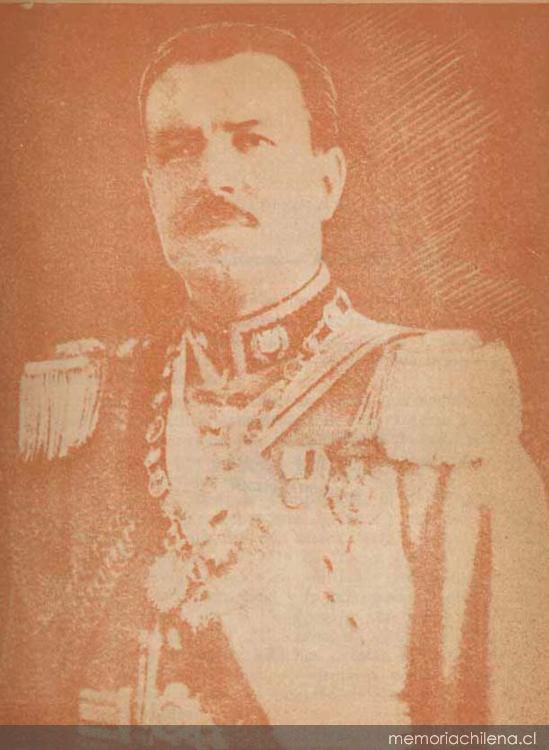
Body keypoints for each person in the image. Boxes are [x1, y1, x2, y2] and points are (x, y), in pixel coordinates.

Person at [4, 22, 549, 727]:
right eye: (179, 149)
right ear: (149, 191)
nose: (213, 178)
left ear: (327, 182)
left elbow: (503, 729)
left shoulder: (433, 405)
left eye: (251, 140)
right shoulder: (90, 411)